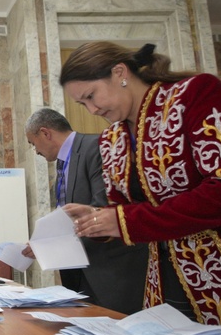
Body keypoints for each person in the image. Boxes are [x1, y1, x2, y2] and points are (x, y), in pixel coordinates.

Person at [60, 41, 221, 333]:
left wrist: (123, 220)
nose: (92, 109)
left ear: (120, 72)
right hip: (164, 284)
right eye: (83, 104)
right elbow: (128, 209)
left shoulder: (195, 94)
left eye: (91, 96)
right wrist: (98, 218)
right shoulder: (112, 140)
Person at [23, 108, 149, 314]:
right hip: (79, 273)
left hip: (111, 272)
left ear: (45, 133)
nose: (35, 150)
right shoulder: (63, 163)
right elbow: (69, 214)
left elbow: (104, 207)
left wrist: (50, 245)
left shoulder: (97, 147)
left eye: (32, 143)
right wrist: (44, 241)